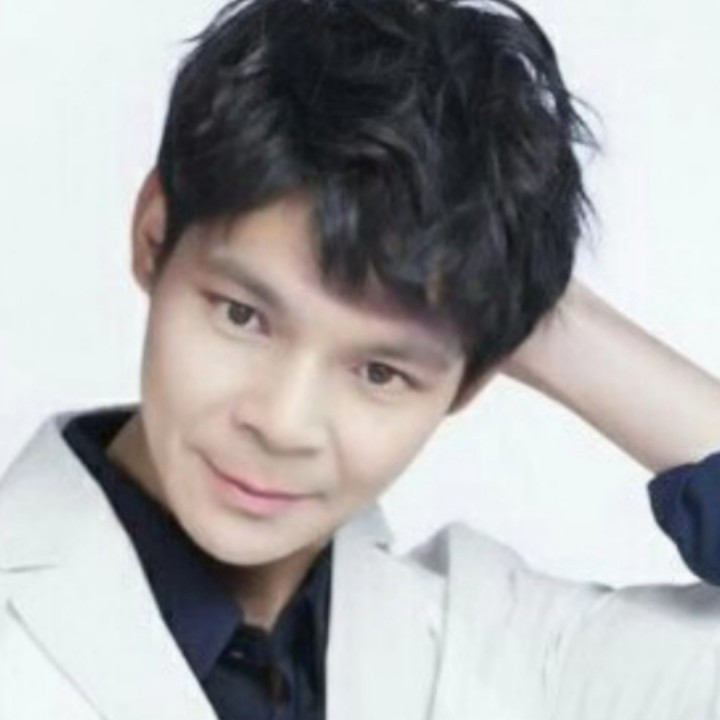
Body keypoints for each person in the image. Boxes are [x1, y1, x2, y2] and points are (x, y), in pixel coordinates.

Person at [1, 0, 719, 717]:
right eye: (243, 316)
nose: (283, 423)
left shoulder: (502, 652)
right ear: (155, 235)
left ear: (468, 382)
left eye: (381, 372)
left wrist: (521, 300)